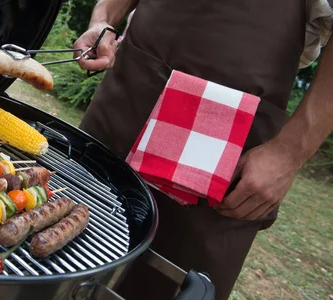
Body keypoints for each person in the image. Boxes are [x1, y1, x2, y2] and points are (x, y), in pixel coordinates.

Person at [72, 0, 333, 299]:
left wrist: (290, 151)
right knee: (64, 244)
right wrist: (103, 17)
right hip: (134, 81)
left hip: (228, 129)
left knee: (170, 282)